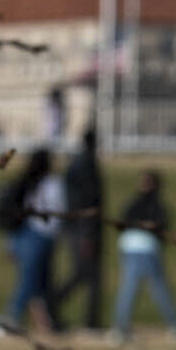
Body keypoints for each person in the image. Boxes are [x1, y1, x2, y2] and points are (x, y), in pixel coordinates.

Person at [112, 167, 176, 339]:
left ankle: (120, 328)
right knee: (157, 289)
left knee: (130, 289)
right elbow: (161, 228)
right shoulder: (156, 206)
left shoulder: (133, 204)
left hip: (129, 247)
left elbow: (121, 224)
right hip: (145, 249)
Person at [0, 147, 63, 333]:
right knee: (30, 280)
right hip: (39, 235)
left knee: (41, 280)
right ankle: (11, 316)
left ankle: (46, 322)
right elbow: (59, 208)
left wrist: (8, 241)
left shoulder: (27, 182)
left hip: (26, 234)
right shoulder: (50, 183)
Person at [57, 126, 106, 328]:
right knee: (86, 273)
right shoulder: (87, 166)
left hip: (77, 226)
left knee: (87, 274)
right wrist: (87, 233)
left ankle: (91, 319)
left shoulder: (76, 163)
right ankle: (52, 302)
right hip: (84, 228)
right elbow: (85, 202)